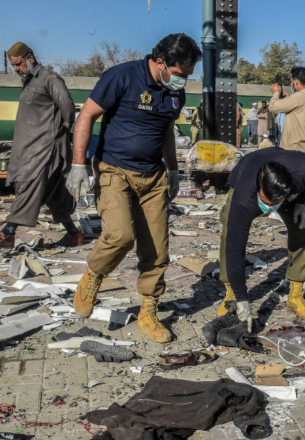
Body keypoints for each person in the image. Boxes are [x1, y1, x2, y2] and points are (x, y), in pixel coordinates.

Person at [64, 33, 201, 343]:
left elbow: (166, 131)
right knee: (120, 236)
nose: (183, 82)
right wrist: (78, 164)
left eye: (188, 76)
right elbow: (86, 115)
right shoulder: (122, 77)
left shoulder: (175, 95)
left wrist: (173, 170)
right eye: (180, 75)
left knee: (157, 250)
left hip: (153, 177)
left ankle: (149, 313)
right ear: (161, 62)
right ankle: (93, 276)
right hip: (115, 170)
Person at [0, 42, 80, 250]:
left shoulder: (49, 78)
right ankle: (74, 234)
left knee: (29, 185)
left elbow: (68, 108)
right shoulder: (29, 82)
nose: (16, 69)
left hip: (44, 148)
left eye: (18, 64)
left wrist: (62, 132)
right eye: (14, 66)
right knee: (54, 194)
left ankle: (7, 233)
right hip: (30, 147)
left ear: (30, 58)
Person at [216, 147, 305, 328]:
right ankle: (232, 295)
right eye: (265, 202)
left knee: (303, 226)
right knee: (230, 233)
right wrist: (242, 297)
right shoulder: (244, 198)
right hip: (246, 171)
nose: (268, 208)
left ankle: (296, 293)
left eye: (273, 204)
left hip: (286, 178)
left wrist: (302, 201)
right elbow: (236, 248)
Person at [269, 67, 305, 153]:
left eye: (291, 81)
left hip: (293, 149)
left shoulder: (298, 97)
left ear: (296, 81)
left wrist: (276, 93)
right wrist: (288, 99)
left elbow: (272, 107)